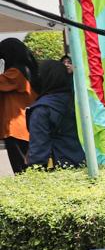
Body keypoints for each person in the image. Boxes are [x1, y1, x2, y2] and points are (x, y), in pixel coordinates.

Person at [25, 52, 85, 170]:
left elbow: (39, 147)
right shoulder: (79, 101)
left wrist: (35, 171)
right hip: (85, 161)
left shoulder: (41, 109)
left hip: (60, 166)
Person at [0, 38, 34, 173]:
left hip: (17, 127)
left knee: (22, 170)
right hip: (25, 125)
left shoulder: (17, 72)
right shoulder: (28, 70)